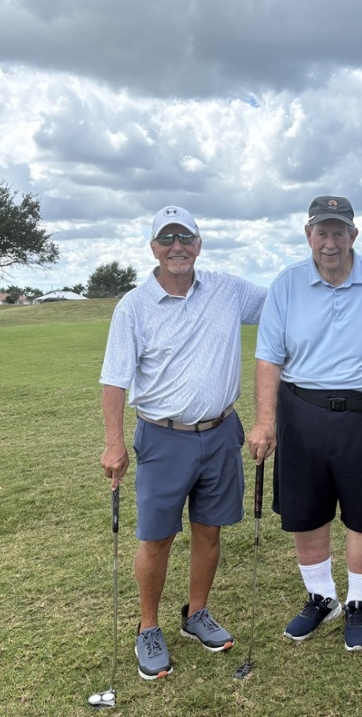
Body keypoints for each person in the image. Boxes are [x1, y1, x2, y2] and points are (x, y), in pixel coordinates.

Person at [100, 206, 266, 680]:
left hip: (221, 432)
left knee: (209, 530)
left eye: (185, 237)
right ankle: (148, 627)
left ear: (199, 243)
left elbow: (287, 301)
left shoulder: (228, 290)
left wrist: (329, 262)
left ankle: (196, 613)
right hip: (162, 437)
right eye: (167, 239)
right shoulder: (134, 306)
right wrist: (114, 443)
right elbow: (115, 379)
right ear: (153, 247)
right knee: (157, 538)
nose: (177, 247)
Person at [248, 195, 362, 652]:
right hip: (301, 413)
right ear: (309, 235)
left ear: (353, 235)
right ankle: (322, 598)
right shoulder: (287, 285)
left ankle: (358, 603)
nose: (330, 242)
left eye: (339, 232)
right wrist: (265, 421)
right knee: (307, 512)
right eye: (322, 232)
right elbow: (268, 357)